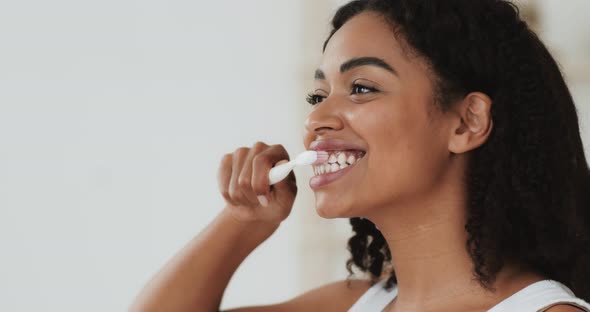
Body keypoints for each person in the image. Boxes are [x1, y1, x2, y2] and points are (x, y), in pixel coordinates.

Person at [130, 0, 590, 311]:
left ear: (466, 122)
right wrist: (244, 220)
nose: (317, 119)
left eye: (362, 88)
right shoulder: (351, 303)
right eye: (318, 96)